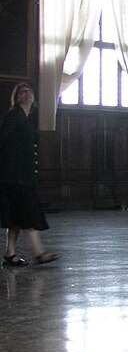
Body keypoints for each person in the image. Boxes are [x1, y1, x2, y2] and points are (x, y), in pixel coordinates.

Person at [0, 83, 61, 266]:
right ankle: (39, 252)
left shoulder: (24, 119)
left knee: (16, 216)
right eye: (22, 92)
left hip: (21, 176)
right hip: (15, 176)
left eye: (29, 92)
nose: (27, 94)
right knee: (29, 214)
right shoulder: (14, 116)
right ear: (17, 97)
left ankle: (9, 253)